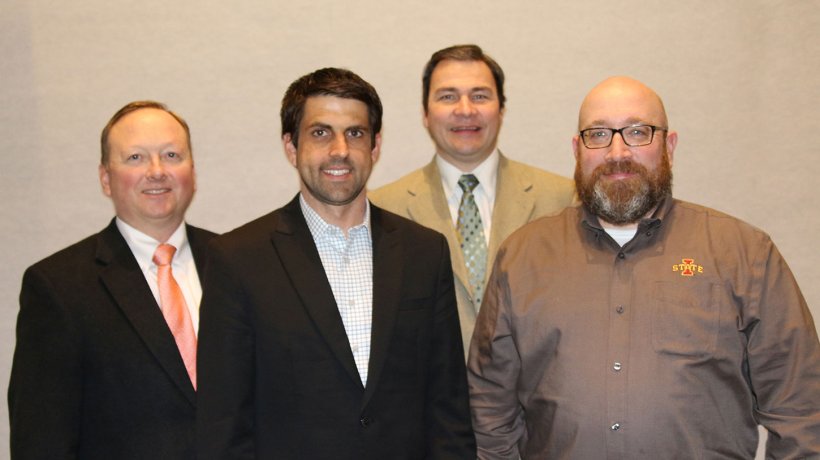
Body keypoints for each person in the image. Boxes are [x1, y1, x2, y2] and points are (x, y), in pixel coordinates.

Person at [468, 76, 820, 458]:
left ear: (669, 145)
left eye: (638, 132)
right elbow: (489, 408)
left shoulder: (744, 254)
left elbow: (800, 409)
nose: (618, 151)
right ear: (577, 149)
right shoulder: (522, 256)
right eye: (598, 134)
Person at [196, 67, 475, 460]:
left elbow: (449, 410)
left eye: (355, 133)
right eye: (320, 132)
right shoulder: (237, 260)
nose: (340, 150)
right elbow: (223, 424)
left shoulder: (424, 253)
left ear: (375, 146)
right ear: (291, 147)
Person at [8, 101, 216, 459]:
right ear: (106, 179)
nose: (156, 171)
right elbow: (40, 440)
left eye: (171, 155)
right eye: (135, 158)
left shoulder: (238, 264)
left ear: (192, 173)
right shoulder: (59, 286)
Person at [370, 44, 575, 352]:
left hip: (529, 396)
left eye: (480, 96)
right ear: (425, 113)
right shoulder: (383, 208)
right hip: (429, 396)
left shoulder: (562, 199)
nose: (465, 110)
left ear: (501, 110)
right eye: (447, 96)